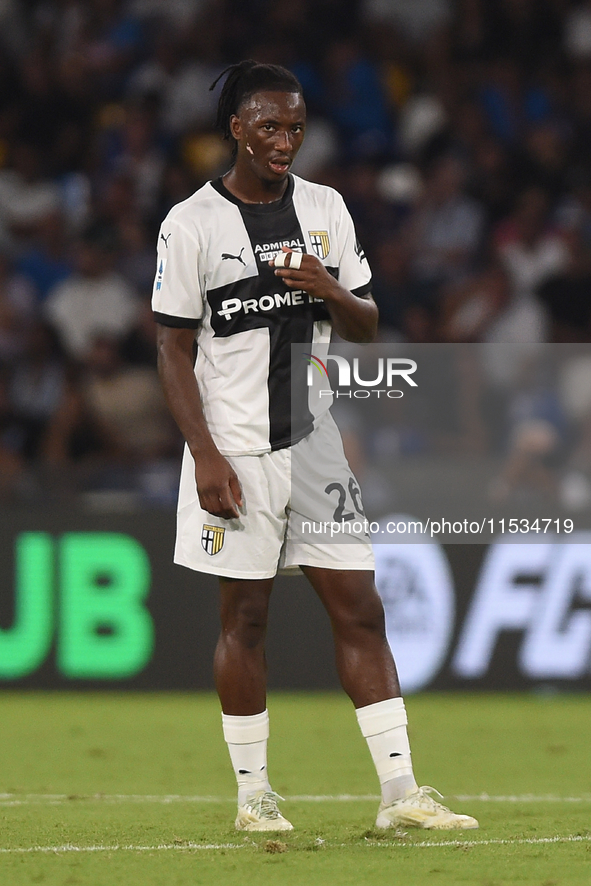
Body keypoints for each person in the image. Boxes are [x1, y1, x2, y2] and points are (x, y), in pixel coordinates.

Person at [153, 60, 478, 834]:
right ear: (234, 128)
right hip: (234, 445)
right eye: (268, 126)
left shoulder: (326, 209)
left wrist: (325, 286)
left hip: (315, 442)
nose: (283, 141)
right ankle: (253, 795)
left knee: (360, 608)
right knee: (247, 618)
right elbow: (169, 348)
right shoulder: (191, 223)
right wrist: (203, 453)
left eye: (294, 127)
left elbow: (366, 326)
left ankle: (401, 796)